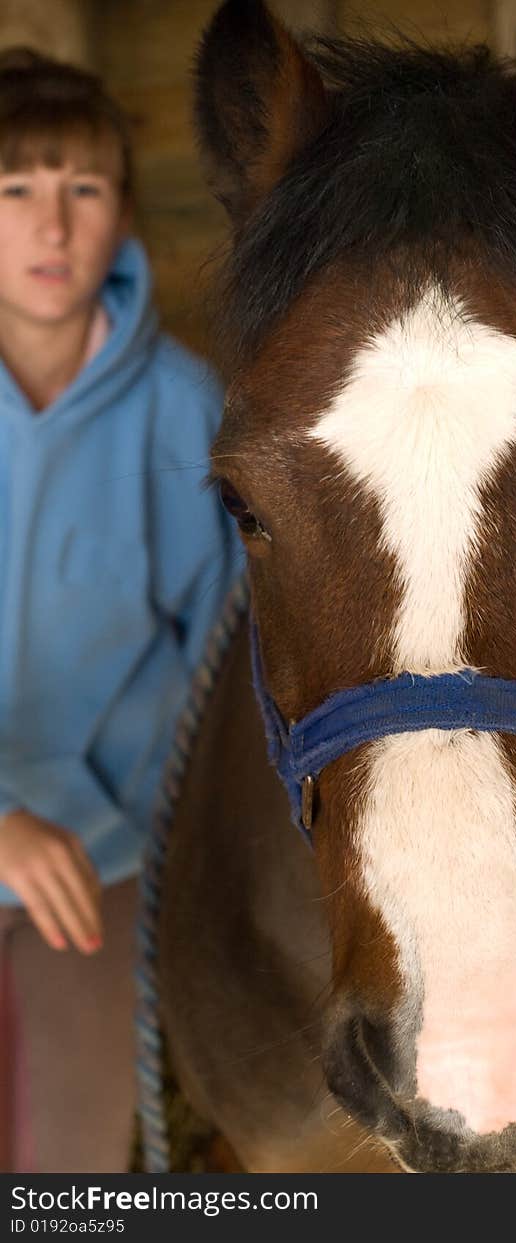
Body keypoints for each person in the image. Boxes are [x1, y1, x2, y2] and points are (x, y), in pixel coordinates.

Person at [0, 47, 239, 1173]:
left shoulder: (187, 415)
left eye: (82, 190)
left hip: (104, 860)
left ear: (123, 214)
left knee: (67, 1166)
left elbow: (230, 661)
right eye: (15, 192)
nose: (53, 228)